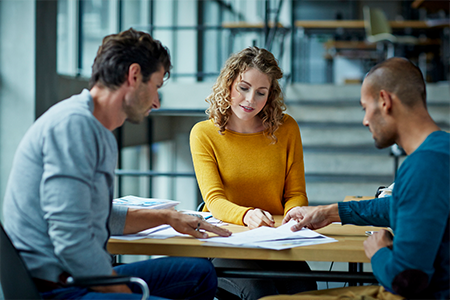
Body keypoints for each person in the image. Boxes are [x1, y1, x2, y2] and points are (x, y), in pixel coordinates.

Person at [2, 28, 231, 300]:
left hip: (77, 276)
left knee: (200, 273)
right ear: (134, 76)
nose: (157, 102)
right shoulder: (73, 127)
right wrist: (125, 293)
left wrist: (168, 217)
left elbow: (91, 213)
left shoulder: (96, 128)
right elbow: (71, 240)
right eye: (156, 86)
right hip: (58, 288)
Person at [260, 57, 449, 300]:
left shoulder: (424, 166)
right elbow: (403, 205)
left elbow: (407, 280)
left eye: (365, 108)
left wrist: (378, 252)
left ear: (384, 101)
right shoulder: (442, 148)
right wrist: (330, 212)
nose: (365, 120)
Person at [190, 47, 316, 300]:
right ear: (228, 84)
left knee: (305, 289)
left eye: (261, 93)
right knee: (260, 292)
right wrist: (246, 215)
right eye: (243, 88)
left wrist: (295, 212)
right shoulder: (203, 134)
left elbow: (296, 193)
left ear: (270, 95)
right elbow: (214, 200)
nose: (250, 100)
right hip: (225, 240)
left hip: (274, 238)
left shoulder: (287, 128)